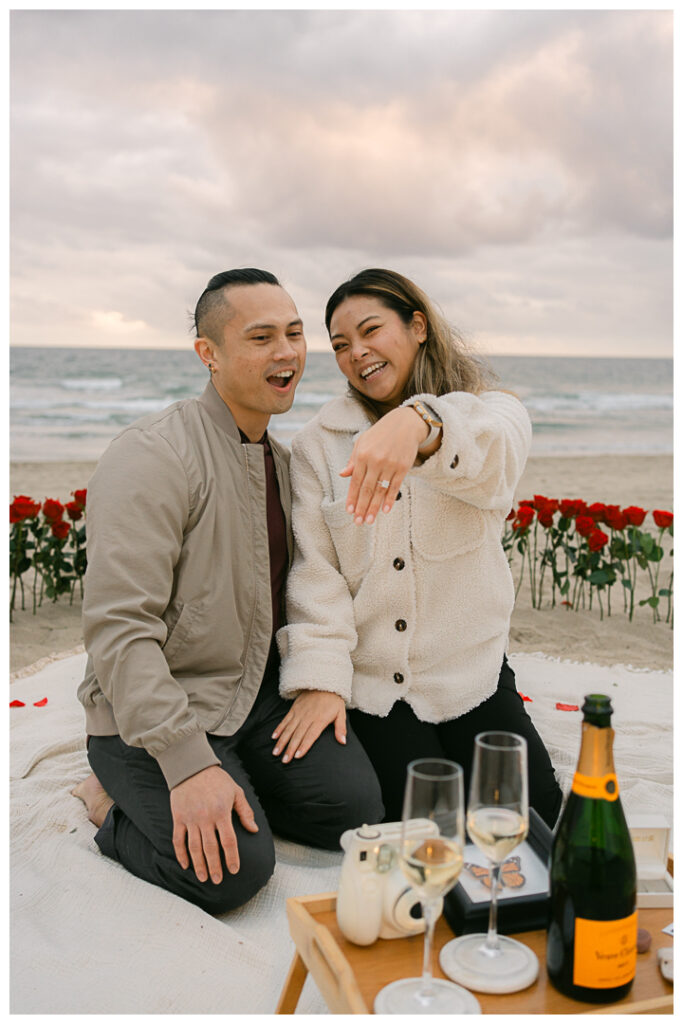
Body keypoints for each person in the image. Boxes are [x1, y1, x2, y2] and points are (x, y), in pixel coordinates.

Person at [72, 268, 383, 914]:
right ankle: (108, 804)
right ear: (207, 354)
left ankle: (233, 786)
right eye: (261, 337)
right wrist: (187, 766)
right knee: (235, 872)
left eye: (295, 334)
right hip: (151, 716)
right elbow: (118, 630)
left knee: (353, 811)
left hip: (252, 701)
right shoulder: (152, 455)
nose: (286, 353)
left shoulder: (285, 461)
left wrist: (322, 680)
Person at [272, 268, 562, 829]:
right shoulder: (316, 446)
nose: (357, 353)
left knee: (537, 825)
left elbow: (496, 455)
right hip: (377, 688)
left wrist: (419, 422)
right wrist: (321, 681)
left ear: (418, 326)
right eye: (340, 345)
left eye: (371, 330)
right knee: (432, 828)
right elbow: (317, 577)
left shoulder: (486, 412)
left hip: (471, 674)